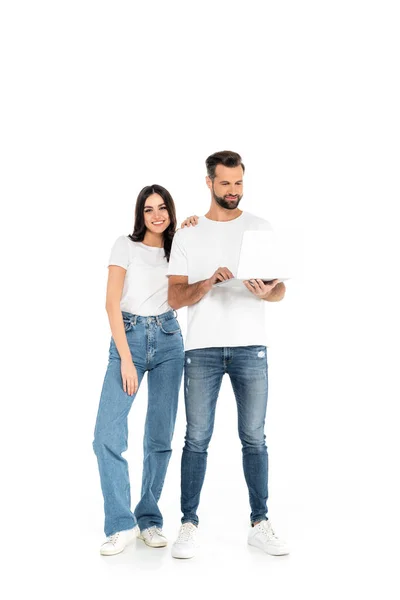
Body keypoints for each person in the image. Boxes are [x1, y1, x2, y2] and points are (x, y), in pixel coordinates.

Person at [167, 151, 290, 559]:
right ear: (209, 183)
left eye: (238, 183)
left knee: (254, 438)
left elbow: (281, 290)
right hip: (201, 348)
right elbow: (173, 296)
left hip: (250, 347)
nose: (233, 191)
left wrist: (267, 291)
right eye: (225, 184)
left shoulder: (261, 227)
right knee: (196, 438)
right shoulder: (188, 232)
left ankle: (260, 522)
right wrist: (207, 283)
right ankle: (189, 523)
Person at [93, 184, 198, 556]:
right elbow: (110, 304)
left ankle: (148, 519)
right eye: (149, 209)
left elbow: (191, 285)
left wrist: (192, 228)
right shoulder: (125, 245)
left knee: (159, 436)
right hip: (131, 339)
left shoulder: (179, 246)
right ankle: (120, 524)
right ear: (140, 214)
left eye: (163, 208)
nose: (157, 215)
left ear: (170, 211)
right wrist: (124, 357)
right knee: (106, 434)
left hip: (169, 337)